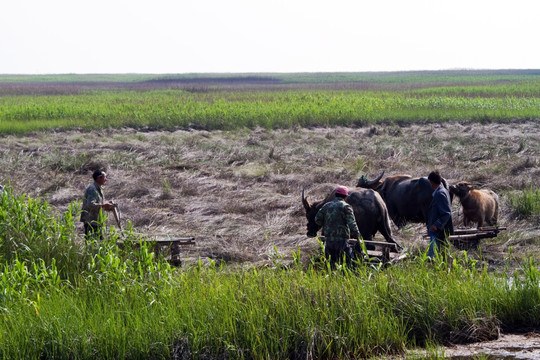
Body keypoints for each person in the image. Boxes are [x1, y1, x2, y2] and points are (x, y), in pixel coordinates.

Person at [315, 185, 360, 267]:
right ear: (345, 196)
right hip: (342, 241)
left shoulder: (326, 206)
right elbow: (352, 224)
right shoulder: (346, 207)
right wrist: (358, 236)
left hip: (329, 241)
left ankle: (332, 278)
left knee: (331, 265)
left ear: (336, 194)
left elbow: (317, 219)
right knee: (347, 265)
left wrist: (327, 224)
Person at [80, 169, 115, 240]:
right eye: (105, 177)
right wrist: (103, 206)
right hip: (91, 221)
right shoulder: (92, 189)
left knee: (98, 242)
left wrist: (107, 204)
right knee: (93, 243)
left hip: (96, 220)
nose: (106, 179)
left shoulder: (98, 188)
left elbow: (98, 203)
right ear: (99, 178)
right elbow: (90, 204)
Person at [427, 170, 454, 259]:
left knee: (432, 255)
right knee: (442, 253)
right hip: (439, 231)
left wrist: (436, 225)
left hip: (438, 231)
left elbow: (446, 213)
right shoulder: (443, 191)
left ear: (431, 182)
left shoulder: (440, 194)